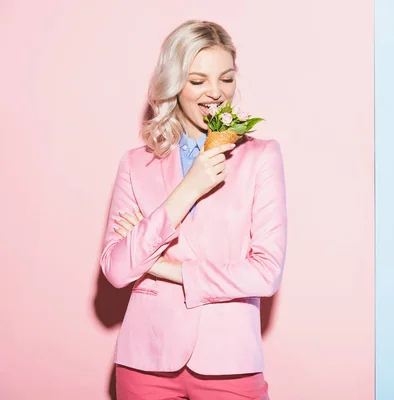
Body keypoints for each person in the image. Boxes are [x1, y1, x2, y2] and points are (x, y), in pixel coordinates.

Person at [99, 20, 287, 400]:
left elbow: (266, 273)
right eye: (197, 80)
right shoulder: (136, 163)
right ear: (173, 84)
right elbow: (117, 269)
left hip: (230, 360)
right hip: (144, 359)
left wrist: (159, 266)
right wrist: (189, 187)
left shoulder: (260, 157)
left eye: (226, 78)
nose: (215, 93)